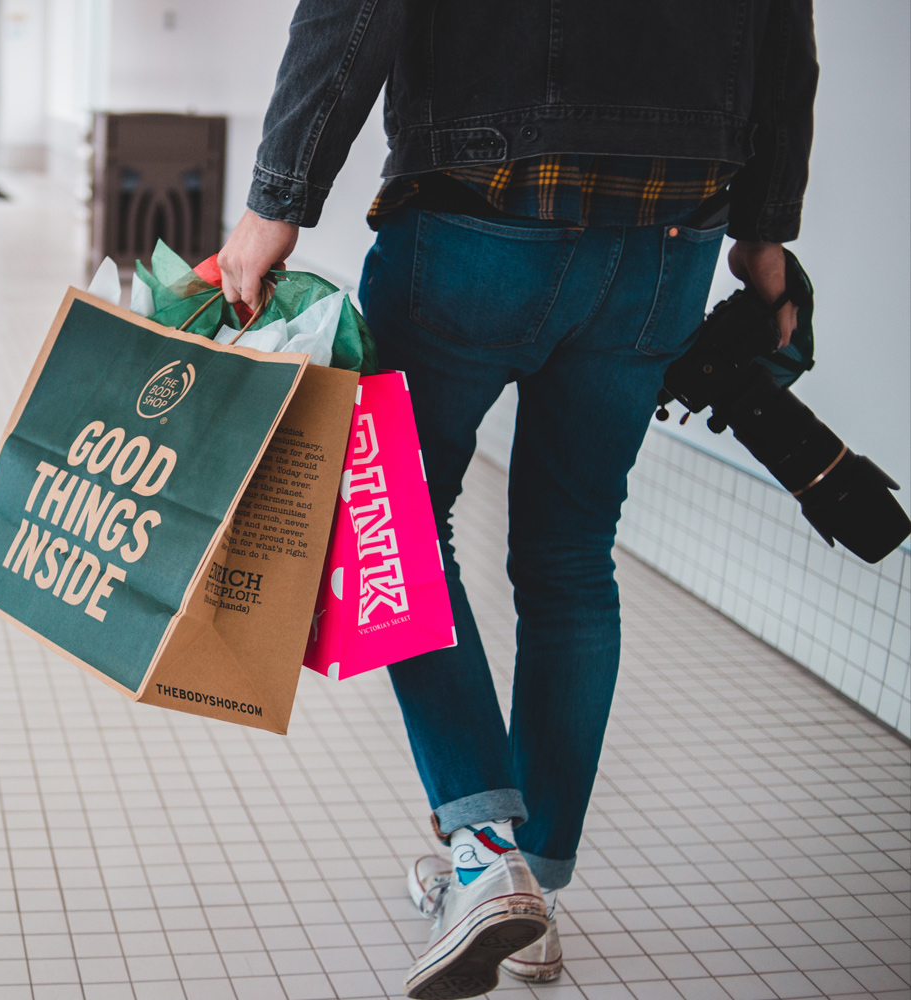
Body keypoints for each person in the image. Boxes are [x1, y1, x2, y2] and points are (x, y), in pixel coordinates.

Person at [218, 4, 817, 997]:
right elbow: (784, 35)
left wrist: (279, 196)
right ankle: (533, 892)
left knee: (396, 524)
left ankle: (483, 850)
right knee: (572, 555)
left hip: (475, 214)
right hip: (669, 235)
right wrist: (763, 237)